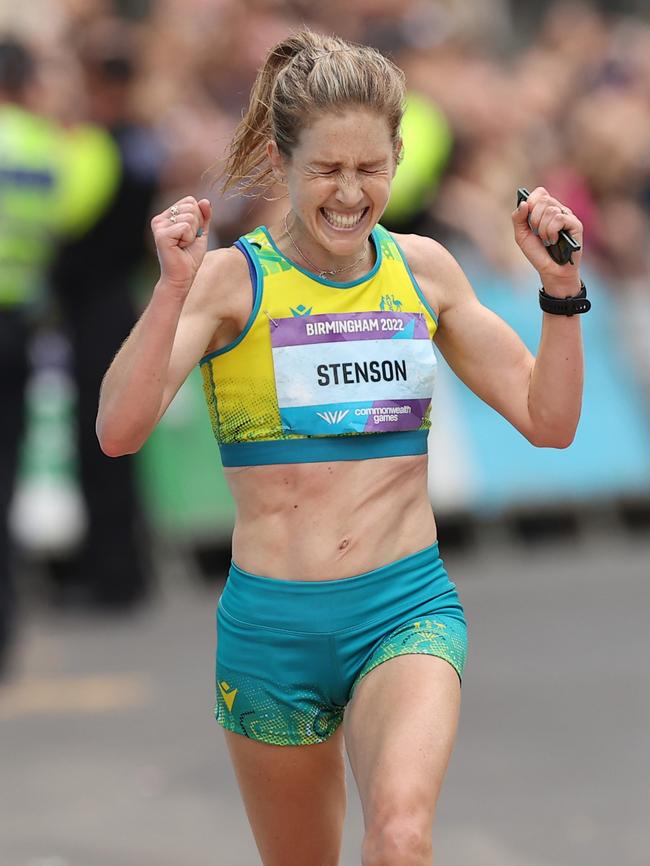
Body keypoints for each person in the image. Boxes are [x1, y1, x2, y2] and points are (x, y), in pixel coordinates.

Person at [96, 30, 587, 866]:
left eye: (371, 169)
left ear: (398, 155)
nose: (350, 194)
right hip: (271, 630)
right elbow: (118, 431)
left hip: (404, 610)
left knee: (399, 838)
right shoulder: (231, 282)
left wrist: (560, 290)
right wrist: (173, 289)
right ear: (284, 161)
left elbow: (549, 421)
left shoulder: (424, 271)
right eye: (327, 170)